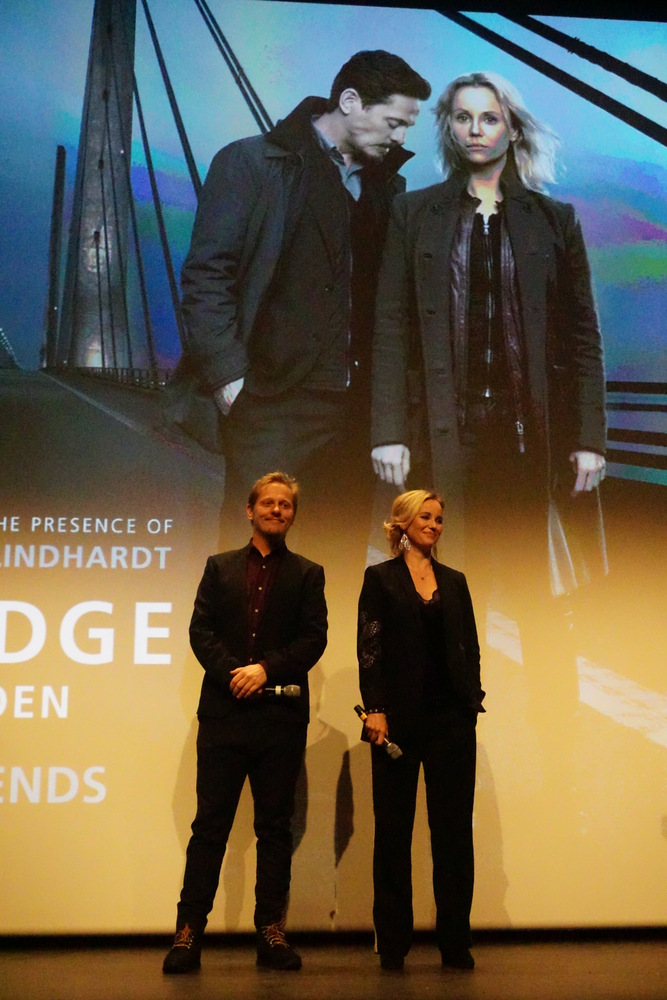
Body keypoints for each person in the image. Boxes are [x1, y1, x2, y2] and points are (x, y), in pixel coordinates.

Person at [370, 72, 607, 728]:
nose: (476, 129)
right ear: (448, 127)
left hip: (526, 445)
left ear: (512, 128)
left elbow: (582, 336)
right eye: (463, 117)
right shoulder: (414, 214)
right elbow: (390, 326)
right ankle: (448, 742)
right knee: (440, 601)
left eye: (490, 117)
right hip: (443, 441)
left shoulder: (553, 221)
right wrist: (387, 428)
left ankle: (558, 748)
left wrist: (589, 438)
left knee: (540, 603)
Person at [170, 50, 431, 535]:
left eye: (405, 127)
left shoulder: (387, 187)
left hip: (356, 413)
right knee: (256, 558)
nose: (400, 138)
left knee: (338, 556)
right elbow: (207, 275)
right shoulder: (251, 162)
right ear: (349, 101)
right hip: (270, 405)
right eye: (394, 122)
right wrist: (228, 377)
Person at [163, 471, 327, 974]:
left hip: (279, 720)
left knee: (274, 829)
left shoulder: (308, 573)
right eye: (269, 503)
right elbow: (201, 630)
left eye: (285, 505)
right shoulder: (219, 567)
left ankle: (271, 932)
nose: (277, 510)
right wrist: (235, 674)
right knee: (209, 827)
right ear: (250, 510)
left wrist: (265, 671)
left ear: (292, 515)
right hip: (224, 715)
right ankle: (188, 933)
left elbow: (313, 639)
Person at [358, 490, 485, 971]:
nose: (434, 524)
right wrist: (375, 709)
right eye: (425, 517)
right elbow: (369, 648)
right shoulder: (380, 578)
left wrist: (471, 701)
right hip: (396, 723)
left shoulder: (455, 581)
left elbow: (469, 644)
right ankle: (393, 943)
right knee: (393, 833)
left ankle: (455, 941)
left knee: (453, 834)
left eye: (439, 519)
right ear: (403, 524)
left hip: (451, 722)